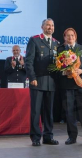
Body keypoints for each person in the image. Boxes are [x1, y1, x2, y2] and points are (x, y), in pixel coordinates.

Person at [25, 18, 60, 146]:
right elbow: (28, 61)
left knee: (49, 111)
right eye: (47, 25)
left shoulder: (57, 43)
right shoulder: (34, 40)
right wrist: (32, 77)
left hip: (51, 82)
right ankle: (35, 138)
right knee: (35, 111)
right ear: (42, 27)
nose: (50, 27)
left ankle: (48, 136)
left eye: (52, 25)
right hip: (37, 81)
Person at [58, 28, 82, 145]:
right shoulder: (60, 50)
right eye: (68, 36)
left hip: (81, 83)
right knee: (69, 112)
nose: (70, 38)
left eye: (72, 35)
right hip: (67, 84)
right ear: (64, 37)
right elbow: (57, 67)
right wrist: (65, 72)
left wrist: (81, 70)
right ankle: (72, 137)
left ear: (75, 36)